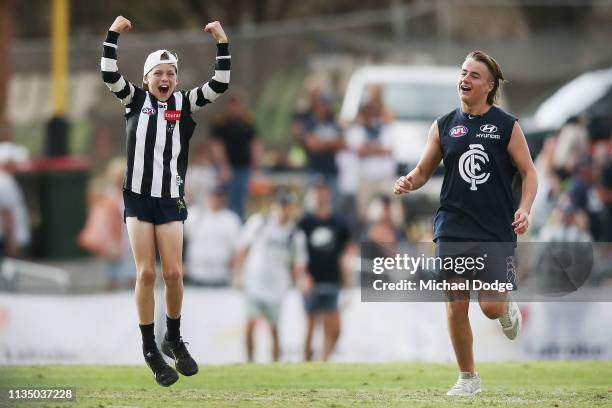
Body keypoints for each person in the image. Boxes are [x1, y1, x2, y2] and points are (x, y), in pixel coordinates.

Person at [394, 50, 538, 396]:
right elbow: (424, 170)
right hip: (453, 224)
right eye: (463, 72)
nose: (466, 79)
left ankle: (504, 308)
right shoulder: (443, 125)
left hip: (495, 227)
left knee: (489, 307)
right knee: (456, 300)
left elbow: (529, 172)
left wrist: (525, 209)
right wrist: (409, 181)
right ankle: (468, 379)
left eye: (474, 75)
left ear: (489, 86)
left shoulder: (507, 125)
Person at [100, 16, 230, 386]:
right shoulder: (135, 99)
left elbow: (220, 84)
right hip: (139, 197)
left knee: (173, 273)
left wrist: (222, 42)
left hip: (170, 198)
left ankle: (172, 337)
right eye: (159, 72)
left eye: (170, 73)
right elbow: (109, 74)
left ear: (176, 78)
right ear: (146, 79)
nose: (165, 79)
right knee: (146, 272)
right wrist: (113, 35)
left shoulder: (184, 103)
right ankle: (149, 349)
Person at [234, 190, 309, 362]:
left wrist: (301, 281)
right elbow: (242, 249)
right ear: (273, 206)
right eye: (281, 205)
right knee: (250, 324)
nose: (284, 209)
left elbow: (298, 264)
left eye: (287, 205)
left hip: (277, 287)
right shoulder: (259, 223)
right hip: (254, 283)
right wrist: (238, 274)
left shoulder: (295, 235)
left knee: (274, 328)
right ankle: (249, 362)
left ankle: (274, 364)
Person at [298, 179, 351, 361]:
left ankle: (323, 362)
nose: (321, 195)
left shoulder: (339, 222)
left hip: (332, 279)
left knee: (332, 329)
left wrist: (347, 284)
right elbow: (298, 253)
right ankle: (306, 363)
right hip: (312, 280)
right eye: (317, 191)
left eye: (324, 190)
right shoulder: (304, 222)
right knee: (311, 326)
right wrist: (302, 276)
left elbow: (346, 255)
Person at [211, 95, 261, 220]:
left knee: (241, 199)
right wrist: (223, 166)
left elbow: (255, 143)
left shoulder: (247, 122)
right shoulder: (221, 123)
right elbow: (217, 146)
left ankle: (239, 224)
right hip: (227, 168)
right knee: (227, 199)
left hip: (243, 167)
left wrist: (255, 164)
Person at [183, 185, 241, 287]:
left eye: (219, 197)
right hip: (194, 275)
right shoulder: (193, 214)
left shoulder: (231, 219)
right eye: (213, 196)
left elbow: (237, 248)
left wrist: (236, 272)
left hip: (221, 277)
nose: (215, 199)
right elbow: (180, 239)